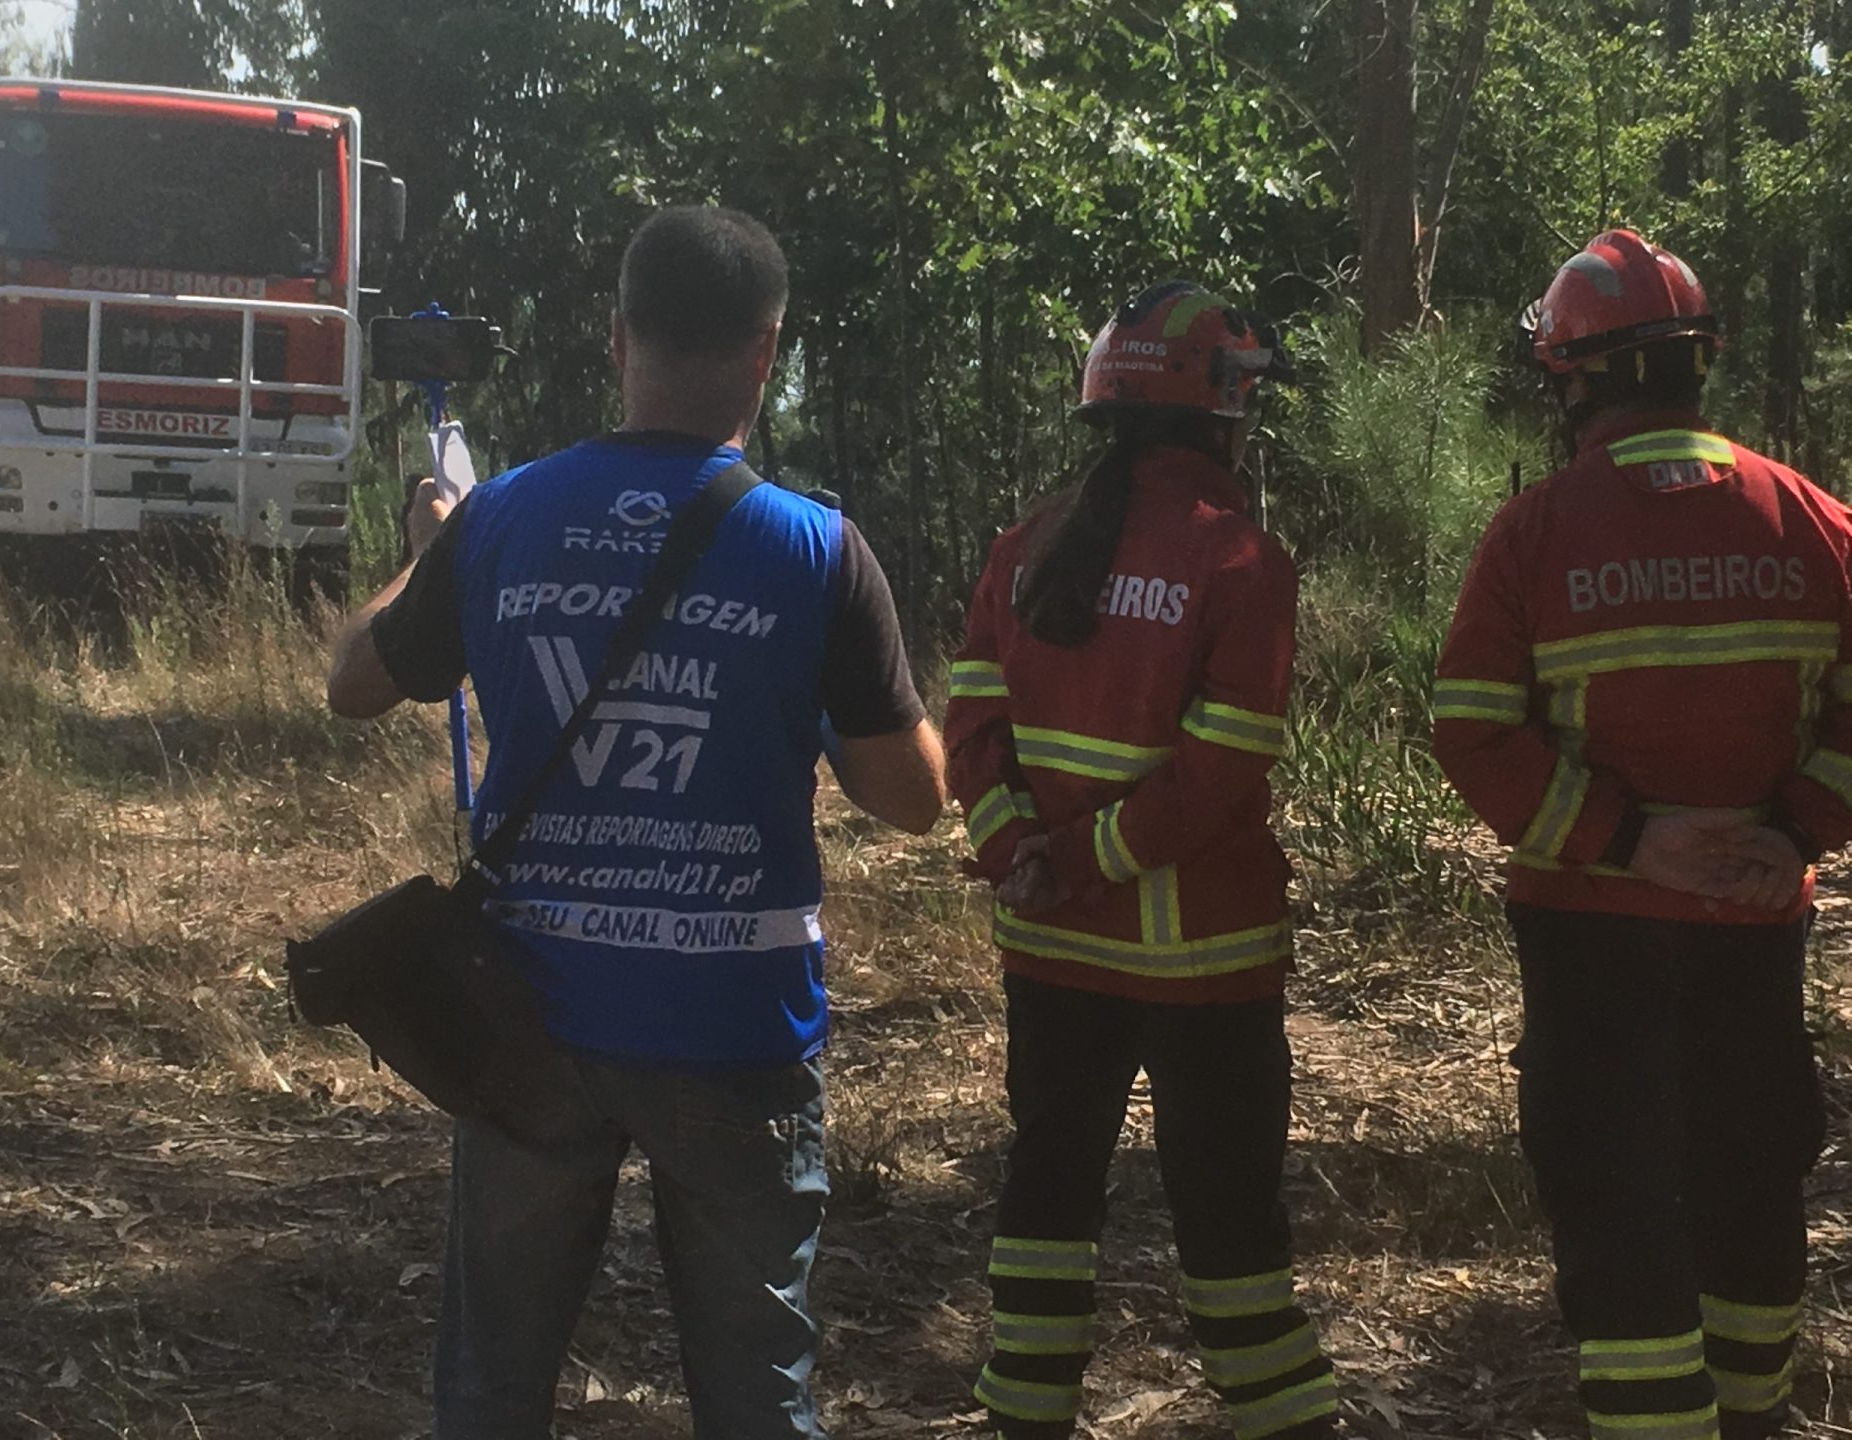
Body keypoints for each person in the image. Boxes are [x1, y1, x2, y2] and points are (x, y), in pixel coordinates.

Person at [326, 204, 946, 1440]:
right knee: (759, 1392)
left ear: (618, 337)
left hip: (529, 1019)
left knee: (493, 1386)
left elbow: (353, 684)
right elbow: (914, 803)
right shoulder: (817, 551)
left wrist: (426, 551)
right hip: (734, 1025)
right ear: (768, 351)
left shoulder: (501, 519)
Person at [1433, 229, 1843, 1440]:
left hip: (1591, 931)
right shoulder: (1815, 519)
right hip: (1756, 925)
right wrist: (1793, 828)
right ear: (1695, 364)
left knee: (1614, 1196)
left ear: (1575, 379)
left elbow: (1471, 728)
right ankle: (1753, 1417)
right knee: (1752, 1179)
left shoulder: (1536, 533)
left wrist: (1628, 844)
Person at [944, 282, 1338, 1440]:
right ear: (1221, 414)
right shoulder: (1241, 563)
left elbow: (970, 721)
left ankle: (1024, 1414)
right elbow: (1222, 769)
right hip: (1206, 966)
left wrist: (1025, 854)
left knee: (1047, 1193)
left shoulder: (1027, 547)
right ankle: (1283, 1421)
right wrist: (1088, 857)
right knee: (1229, 1228)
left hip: (1052, 953)